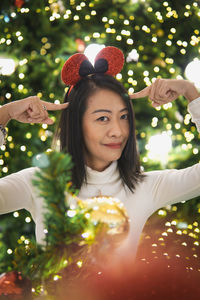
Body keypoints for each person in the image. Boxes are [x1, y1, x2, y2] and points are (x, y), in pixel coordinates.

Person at [0, 46, 200, 266]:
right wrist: (5, 114)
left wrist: (190, 91)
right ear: (76, 124)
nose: (118, 130)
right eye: (103, 118)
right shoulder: (42, 183)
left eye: (123, 116)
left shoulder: (144, 186)